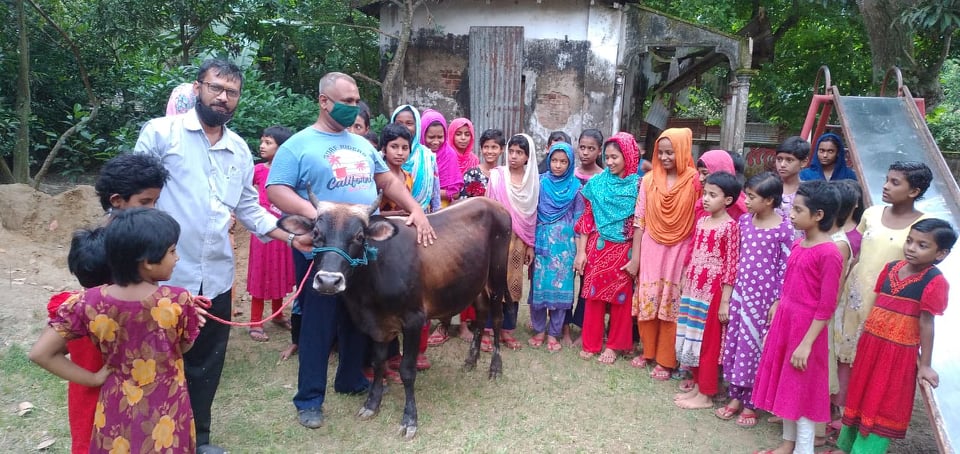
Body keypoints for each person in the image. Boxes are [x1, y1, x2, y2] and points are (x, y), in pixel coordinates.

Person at [134, 58, 297, 453]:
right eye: (215, 88)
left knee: (205, 365)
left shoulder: (239, 149)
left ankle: (196, 439)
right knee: (153, 364)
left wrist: (291, 236)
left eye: (232, 92)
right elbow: (131, 197)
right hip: (162, 278)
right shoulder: (161, 134)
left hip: (215, 279)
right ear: (197, 88)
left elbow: (248, 208)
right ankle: (148, 439)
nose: (223, 98)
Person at [265, 71, 435, 430]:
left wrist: (415, 208)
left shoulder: (360, 145)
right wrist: (322, 219)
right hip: (323, 245)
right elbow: (276, 189)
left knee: (360, 315)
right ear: (324, 101)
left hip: (360, 247)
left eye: (356, 101)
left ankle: (351, 379)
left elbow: (385, 180)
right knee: (318, 322)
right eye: (348, 101)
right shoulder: (298, 144)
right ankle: (310, 399)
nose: (354, 107)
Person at [30, 208, 201, 454]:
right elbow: (184, 347)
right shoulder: (177, 301)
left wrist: (92, 378)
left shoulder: (88, 302)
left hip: (115, 409)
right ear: (147, 263)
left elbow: (40, 353)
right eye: (172, 251)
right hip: (168, 409)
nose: (177, 258)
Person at [836, 218, 955, 454]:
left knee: (882, 402)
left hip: (899, 352)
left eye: (922, 245)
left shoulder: (935, 281)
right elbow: (879, 305)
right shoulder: (891, 268)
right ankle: (845, 446)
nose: (911, 248)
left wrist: (925, 365)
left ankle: (866, 451)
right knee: (860, 393)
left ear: (941, 253)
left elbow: (927, 323)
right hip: (871, 344)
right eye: (909, 241)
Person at [752, 180, 843, 454]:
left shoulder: (829, 253)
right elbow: (789, 285)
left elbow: (826, 306)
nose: (791, 214)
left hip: (807, 331)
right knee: (787, 386)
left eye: (798, 210)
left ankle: (804, 449)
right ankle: (787, 445)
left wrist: (806, 343)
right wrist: (779, 307)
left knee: (801, 393)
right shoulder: (799, 243)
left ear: (819, 215)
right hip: (787, 324)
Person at [834, 162, 932, 378]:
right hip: (856, 292)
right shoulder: (871, 213)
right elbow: (857, 254)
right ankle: (837, 404)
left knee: (873, 354)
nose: (886, 186)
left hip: (889, 299)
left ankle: (860, 408)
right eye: (886, 180)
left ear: (914, 191)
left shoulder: (925, 225)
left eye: (894, 182)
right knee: (844, 346)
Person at [718, 171, 792, 428]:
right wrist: (728, 297)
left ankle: (752, 402)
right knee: (737, 346)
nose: (746, 202)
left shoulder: (784, 229)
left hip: (765, 302)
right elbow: (735, 259)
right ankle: (736, 396)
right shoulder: (745, 223)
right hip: (741, 295)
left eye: (751, 197)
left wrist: (777, 301)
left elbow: (786, 269)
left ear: (770, 200)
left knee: (755, 350)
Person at [626, 128, 701, 380]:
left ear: (683, 151)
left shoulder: (695, 182)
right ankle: (647, 351)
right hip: (650, 246)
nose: (666, 157)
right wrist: (635, 258)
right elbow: (639, 221)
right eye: (661, 152)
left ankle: (666, 360)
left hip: (681, 248)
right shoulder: (648, 180)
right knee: (649, 297)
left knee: (671, 302)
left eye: (671, 152)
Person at [427, 127, 503, 345]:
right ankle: (443, 323)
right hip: (451, 223)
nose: (462, 138)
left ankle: (466, 323)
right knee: (447, 275)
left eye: (466, 134)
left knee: (472, 275)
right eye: (458, 133)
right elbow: (460, 199)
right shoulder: (451, 159)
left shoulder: (492, 170)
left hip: (480, 230)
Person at [674, 171, 741, 410]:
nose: (706, 199)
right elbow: (693, 252)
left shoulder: (731, 227)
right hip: (694, 287)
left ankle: (707, 393)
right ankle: (697, 384)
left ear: (728, 200)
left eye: (713, 195)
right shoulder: (702, 221)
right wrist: (684, 276)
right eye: (705, 193)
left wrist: (725, 301)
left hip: (712, 291)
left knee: (709, 342)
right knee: (691, 335)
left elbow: (732, 265)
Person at [573, 132, 642, 364]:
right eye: (608, 157)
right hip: (598, 245)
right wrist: (581, 252)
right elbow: (587, 219)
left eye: (615, 157)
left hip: (625, 249)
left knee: (620, 298)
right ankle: (591, 343)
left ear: (629, 156)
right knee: (593, 296)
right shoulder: (597, 184)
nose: (610, 162)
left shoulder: (639, 186)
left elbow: (641, 223)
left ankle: (614, 345)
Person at [482, 133, 540, 352]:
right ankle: (487, 330)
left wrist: (530, 245)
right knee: (492, 283)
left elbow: (532, 215)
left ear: (528, 156)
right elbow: (489, 209)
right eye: (511, 151)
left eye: (520, 153)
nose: (514, 156)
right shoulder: (497, 176)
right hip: (497, 237)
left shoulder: (533, 181)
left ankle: (507, 330)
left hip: (519, 241)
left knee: (513, 285)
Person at [528, 142, 583, 352]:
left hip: (565, 246)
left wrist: (580, 252)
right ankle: (540, 330)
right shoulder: (539, 183)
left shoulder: (576, 188)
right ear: (548, 160)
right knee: (539, 289)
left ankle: (554, 333)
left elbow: (579, 221)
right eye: (554, 160)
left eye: (563, 161)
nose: (558, 165)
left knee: (562, 289)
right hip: (541, 241)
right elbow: (531, 213)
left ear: (570, 164)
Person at [247, 126, 297, 342]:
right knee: (260, 272)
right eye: (262, 141)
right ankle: (255, 321)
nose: (262, 145)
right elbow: (244, 197)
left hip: (283, 230)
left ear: (281, 148)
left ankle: (278, 314)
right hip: (261, 232)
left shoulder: (289, 172)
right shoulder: (257, 170)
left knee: (280, 272)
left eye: (268, 142)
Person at [392, 104, 441, 213]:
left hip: (423, 220)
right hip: (390, 222)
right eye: (399, 123)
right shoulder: (382, 157)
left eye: (409, 123)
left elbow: (435, 196)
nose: (404, 127)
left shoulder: (428, 157)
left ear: (417, 126)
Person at [420, 109, 463, 206]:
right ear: (422, 135)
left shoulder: (449, 155)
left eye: (440, 137)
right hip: (418, 206)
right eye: (431, 137)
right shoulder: (417, 155)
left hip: (442, 209)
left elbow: (455, 193)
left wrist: (428, 192)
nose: (436, 142)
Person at [694, 149, 747, 221]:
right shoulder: (701, 205)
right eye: (699, 173)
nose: (700, 178)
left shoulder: (739, 209)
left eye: (705, 173)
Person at [774, 136, 811, 218]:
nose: (782, 165)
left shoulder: (809, 193)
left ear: (804, 162)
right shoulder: (767, 188)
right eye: (779, 159)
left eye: (789, 160)